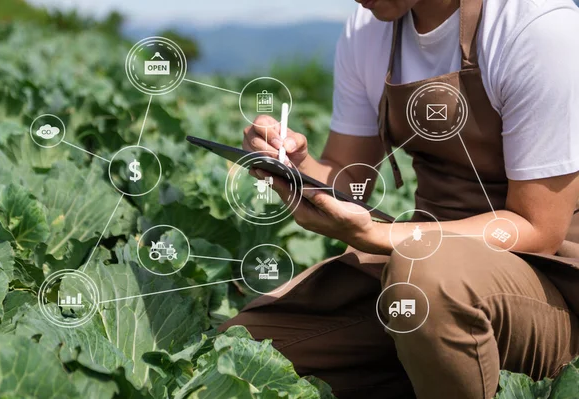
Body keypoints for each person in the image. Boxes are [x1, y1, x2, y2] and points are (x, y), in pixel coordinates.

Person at [221, 0, 579, 397]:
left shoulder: (537, 26)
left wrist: (378, 236)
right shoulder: (369, 27)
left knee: (424, 279)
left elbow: (538, 228)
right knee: (239, 354)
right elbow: (349, 175)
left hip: (554, 290)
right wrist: (293, 164)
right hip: (423, 275)